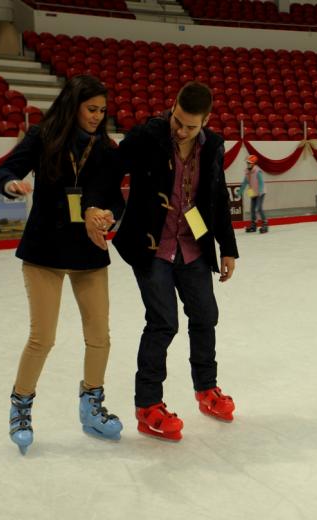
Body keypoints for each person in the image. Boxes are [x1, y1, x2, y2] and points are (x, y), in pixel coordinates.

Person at [0, 75, 125, 454]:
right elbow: (3, 171)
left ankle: (92, 406)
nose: (98, 116)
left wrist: (108, 215)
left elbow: (116, 198)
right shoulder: (43, 137)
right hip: (44, 253)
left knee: (100, 335)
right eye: (91, 109)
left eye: (102, 110)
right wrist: (11, 184)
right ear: (73, 105)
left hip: (88, 254)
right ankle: (21, 405)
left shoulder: (107, 150)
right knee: (42, 337)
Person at [112, 81, 239, 442]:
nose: (180, 130)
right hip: (152, 248)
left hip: (193, 245)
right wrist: (102, 208)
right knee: (163, 323)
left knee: (205, 315)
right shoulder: (148, 135)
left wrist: (227, 247)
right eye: (177, 121)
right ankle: (148, 406)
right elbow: (111, 170)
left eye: (190, 126)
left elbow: (214, 197)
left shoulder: (212, 145)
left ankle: (206, 390)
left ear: (206, 121)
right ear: (173, 107)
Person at [239, 154, 268, 233]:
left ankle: (265, 224)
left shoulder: (257, 171)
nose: (247, 164)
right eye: (247, 162)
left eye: (249, 162)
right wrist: (240, 192)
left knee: (259, 208)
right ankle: (253, 224)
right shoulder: (247, 171)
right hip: (253, 192)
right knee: (252, 209)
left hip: (260, 192)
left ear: (253, 163)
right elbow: (245, 182)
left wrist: (261, 191)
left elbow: (261, 182)